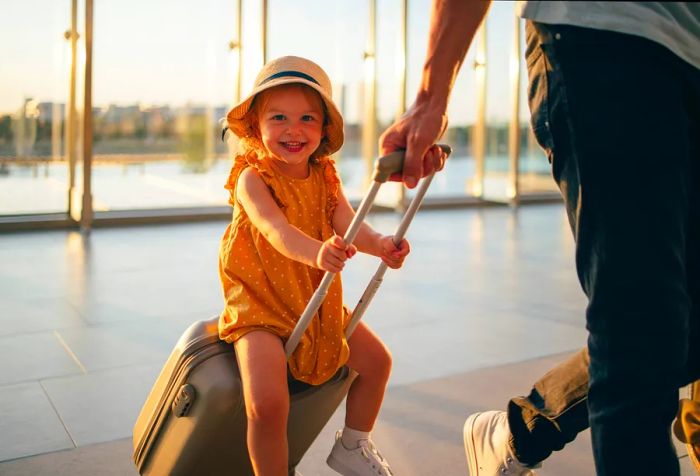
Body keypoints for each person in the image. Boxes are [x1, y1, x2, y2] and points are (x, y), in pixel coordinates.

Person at [379, 1, 700, 475]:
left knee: (683, 329)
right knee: (639, 321)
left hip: (690, 59)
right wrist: (431, 96)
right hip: (600, 39)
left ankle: (518, 431)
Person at [218, 55, 418, 476]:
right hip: (261, 307)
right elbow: (275, 230)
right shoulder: (251, 177)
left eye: (308, 118)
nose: (295, 129)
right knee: (268, 403)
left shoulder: (324, 175)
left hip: (312, 298)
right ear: (256, 126)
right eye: (279, 118)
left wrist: (380, 244)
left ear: (324, 129)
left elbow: (348, 223)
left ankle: (353, 444)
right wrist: (316, 252)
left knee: (377, 363)